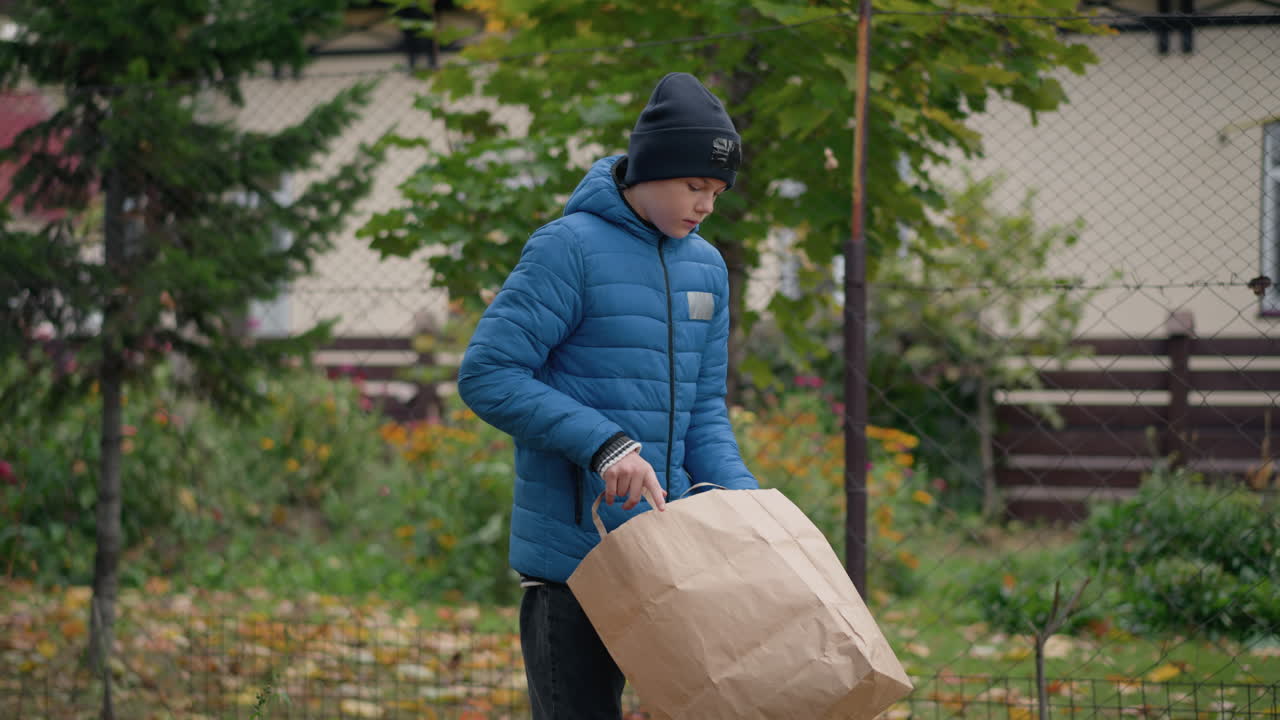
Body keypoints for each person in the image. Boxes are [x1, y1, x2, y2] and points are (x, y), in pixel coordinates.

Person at [456, 71, 758, 720]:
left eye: (716, 191)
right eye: (693, 185)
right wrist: (604, 444)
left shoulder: (706, 266)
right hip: (576, 566)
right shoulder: (568, 250)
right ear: (647, 171)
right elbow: (488, 374)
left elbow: (705, 407)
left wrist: (745, 504)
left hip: (674, 557)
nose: (705, 204)